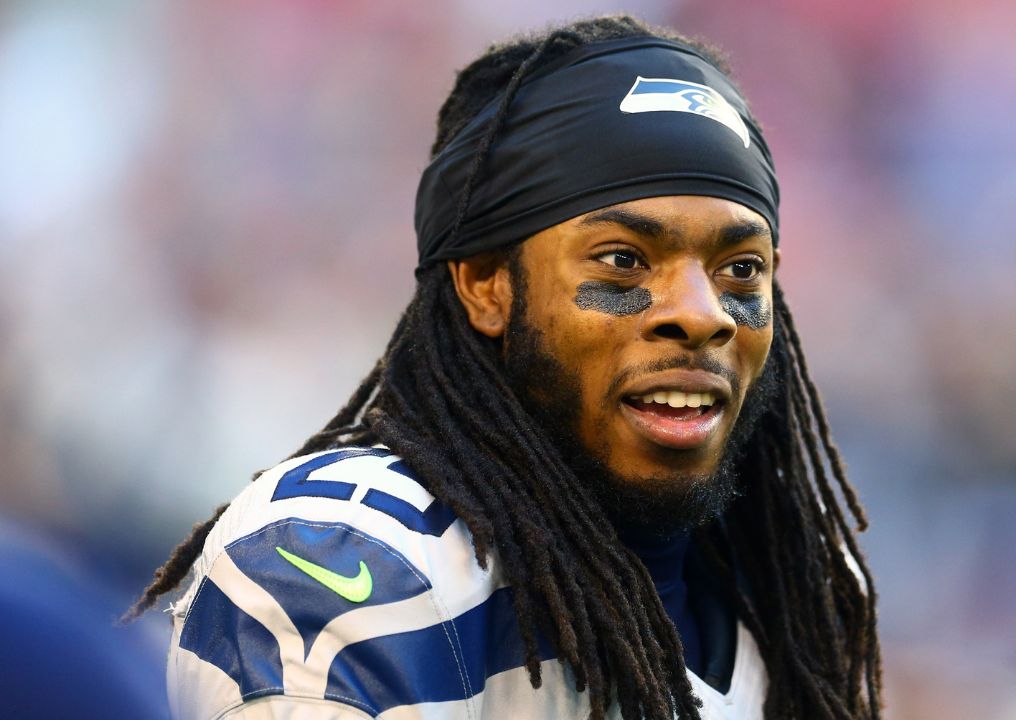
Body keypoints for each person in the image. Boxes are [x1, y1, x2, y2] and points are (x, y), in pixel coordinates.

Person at [126, 15, 883, 720]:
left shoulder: (797, 600)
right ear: (487, 284)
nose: (703, 312)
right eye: (623, 260)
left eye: (741, 269)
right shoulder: (353, 555)